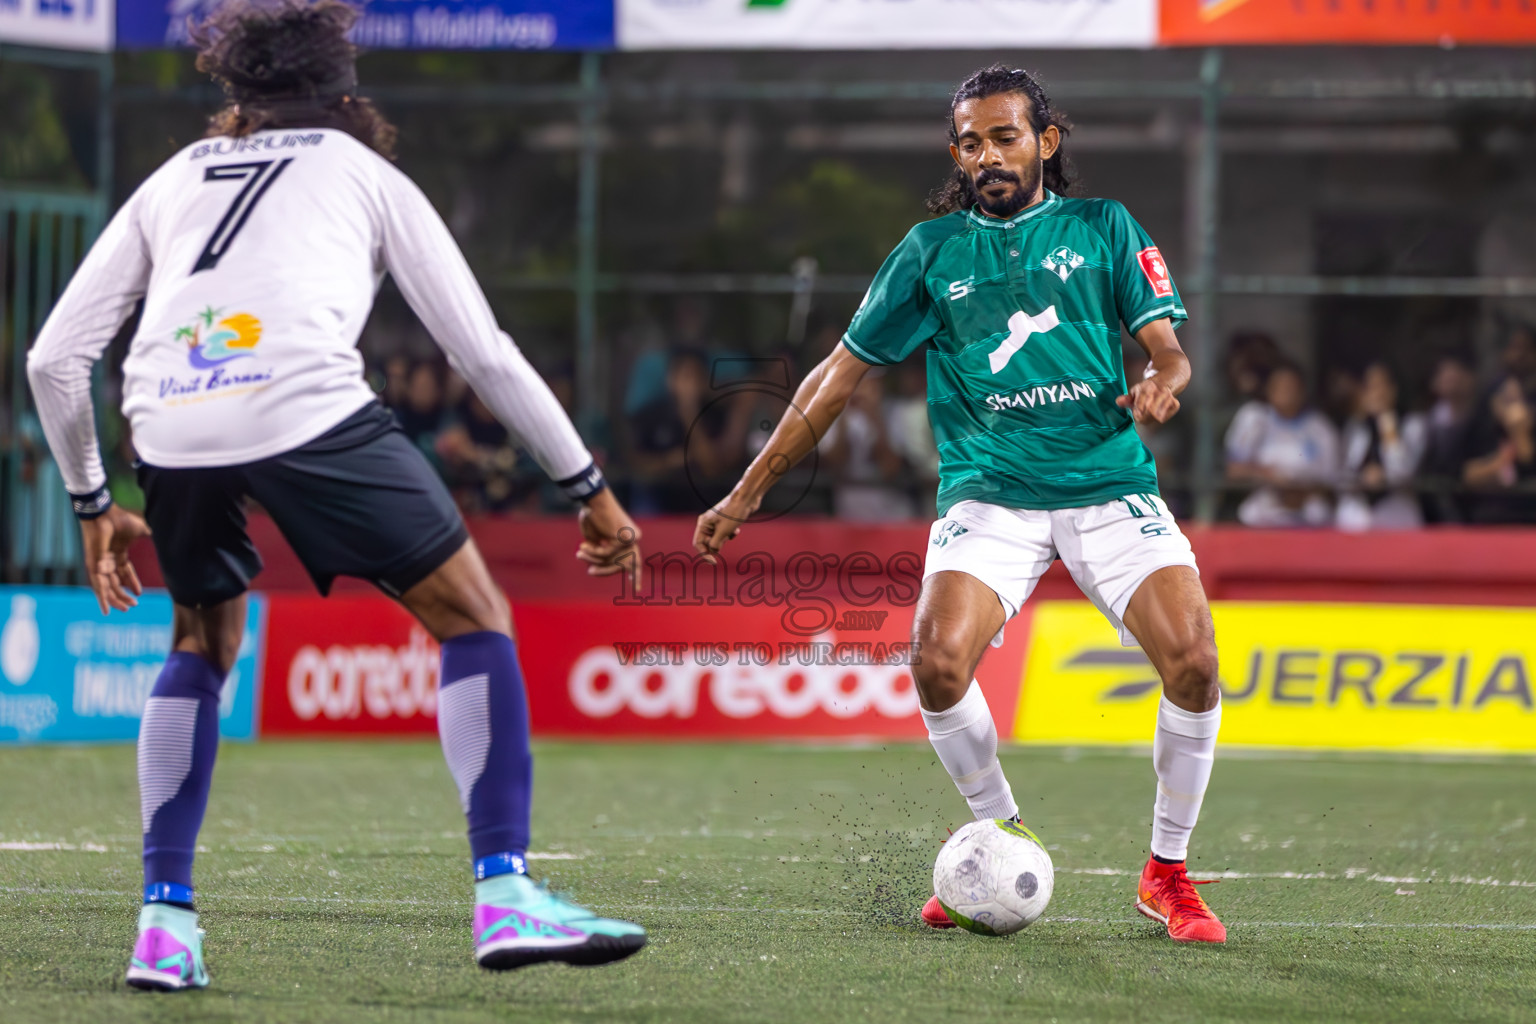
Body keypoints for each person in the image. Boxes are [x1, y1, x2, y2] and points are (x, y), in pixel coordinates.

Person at [25, 0, 646, 991]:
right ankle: (506, 894)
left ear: (236, 100)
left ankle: (163, 926)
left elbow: (55, 359)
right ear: (343, 93)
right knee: (475, 617)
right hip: (304, 405)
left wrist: (95, 504)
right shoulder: (365, 173)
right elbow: (478, 350)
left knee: (199, 641)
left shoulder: (174, 177)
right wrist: (588, 484)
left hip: (170, 422)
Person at [695, 64, 1226, 944]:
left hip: (1108, 485)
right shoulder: (930, 253)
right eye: (971, 143)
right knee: (936, 663)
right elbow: (835, 380)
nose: (988, 156)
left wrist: (1161, 383)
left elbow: (1168, 353)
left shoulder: (1105, 229)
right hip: (991, 495)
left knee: (1196, 662)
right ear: (957, 153)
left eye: (1006, 137)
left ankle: (1166, 872)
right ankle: (999, 833)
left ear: (1046, 141)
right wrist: (749, 490)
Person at [1224, 362, 1340, 527]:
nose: (1286, 392)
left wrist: (1300, 490)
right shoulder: (1254, 418)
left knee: (1319, 513)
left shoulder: (1320, 428)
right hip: (1268, 495)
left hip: (1308, 501)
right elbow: (1233, 470)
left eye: (1291, 387)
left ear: (1302, 392)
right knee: (1250, 513)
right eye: (1280, 386)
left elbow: (1332, 480)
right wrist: (1267, 475)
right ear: (1269, 390)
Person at [1336, 362, 1427, 531]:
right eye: (1370, 387)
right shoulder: (1356, 427)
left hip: (1397, 516)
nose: (1377, 393)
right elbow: (1344, 474)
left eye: (1382, 386)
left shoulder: (1413, 425)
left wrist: (1386, 421)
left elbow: (1402, 471)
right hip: (1358, 518)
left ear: (1394, 390)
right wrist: (1362, 476)